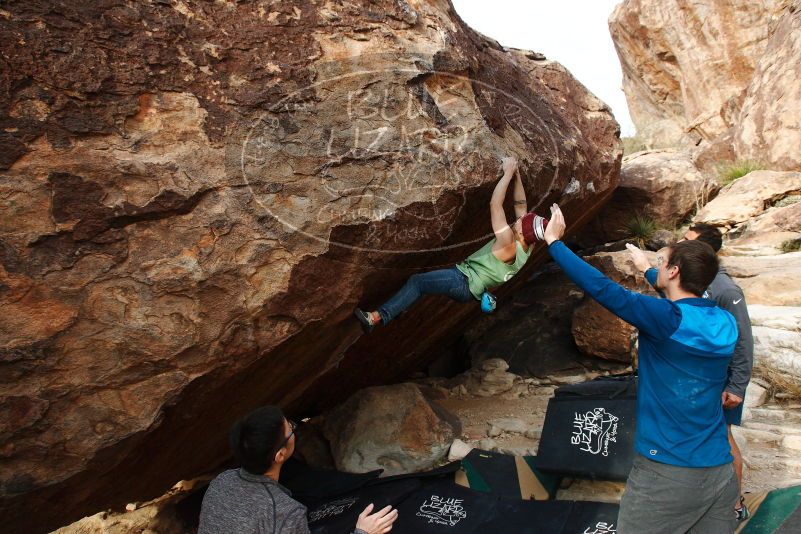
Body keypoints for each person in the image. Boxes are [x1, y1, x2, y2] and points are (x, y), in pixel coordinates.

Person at [543, 204, 739, 533]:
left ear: (674, 272)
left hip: (667, 473)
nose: (659, 266)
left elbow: (604, 289)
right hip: (719, 470)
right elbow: (685, 299)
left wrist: (554, 244)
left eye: (663, 263)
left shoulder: (665, 320)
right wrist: (648, 269)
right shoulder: (725, 322)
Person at [628, 222, 754, 520]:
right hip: (691, 379)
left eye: (687, 240)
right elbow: (674, 295)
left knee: (722, 439)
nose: (680, 242)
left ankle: (734, 504)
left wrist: (737, 385)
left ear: (702, 252)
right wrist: (646, 268)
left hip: (719, 383)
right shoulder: (692, 283)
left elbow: (743, 339)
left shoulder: (725, 289)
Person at [354, 156, 547, 332]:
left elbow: (495, 204)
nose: (518, 220)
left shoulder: (508, 242)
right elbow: (521, 205)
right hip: (469, 287)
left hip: (462, 281)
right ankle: (401, 305)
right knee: (421, 284)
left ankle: (375, 318)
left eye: (521, 222)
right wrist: (517, 175)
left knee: (417, 282)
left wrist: (507, 173)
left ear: (521, 232)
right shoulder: (527, 246)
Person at [199, 406, 398, 534]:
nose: (294, 430)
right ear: (280, 455)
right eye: (291, 429)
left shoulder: (221, 481)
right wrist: (362, 532)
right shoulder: (285, 512)